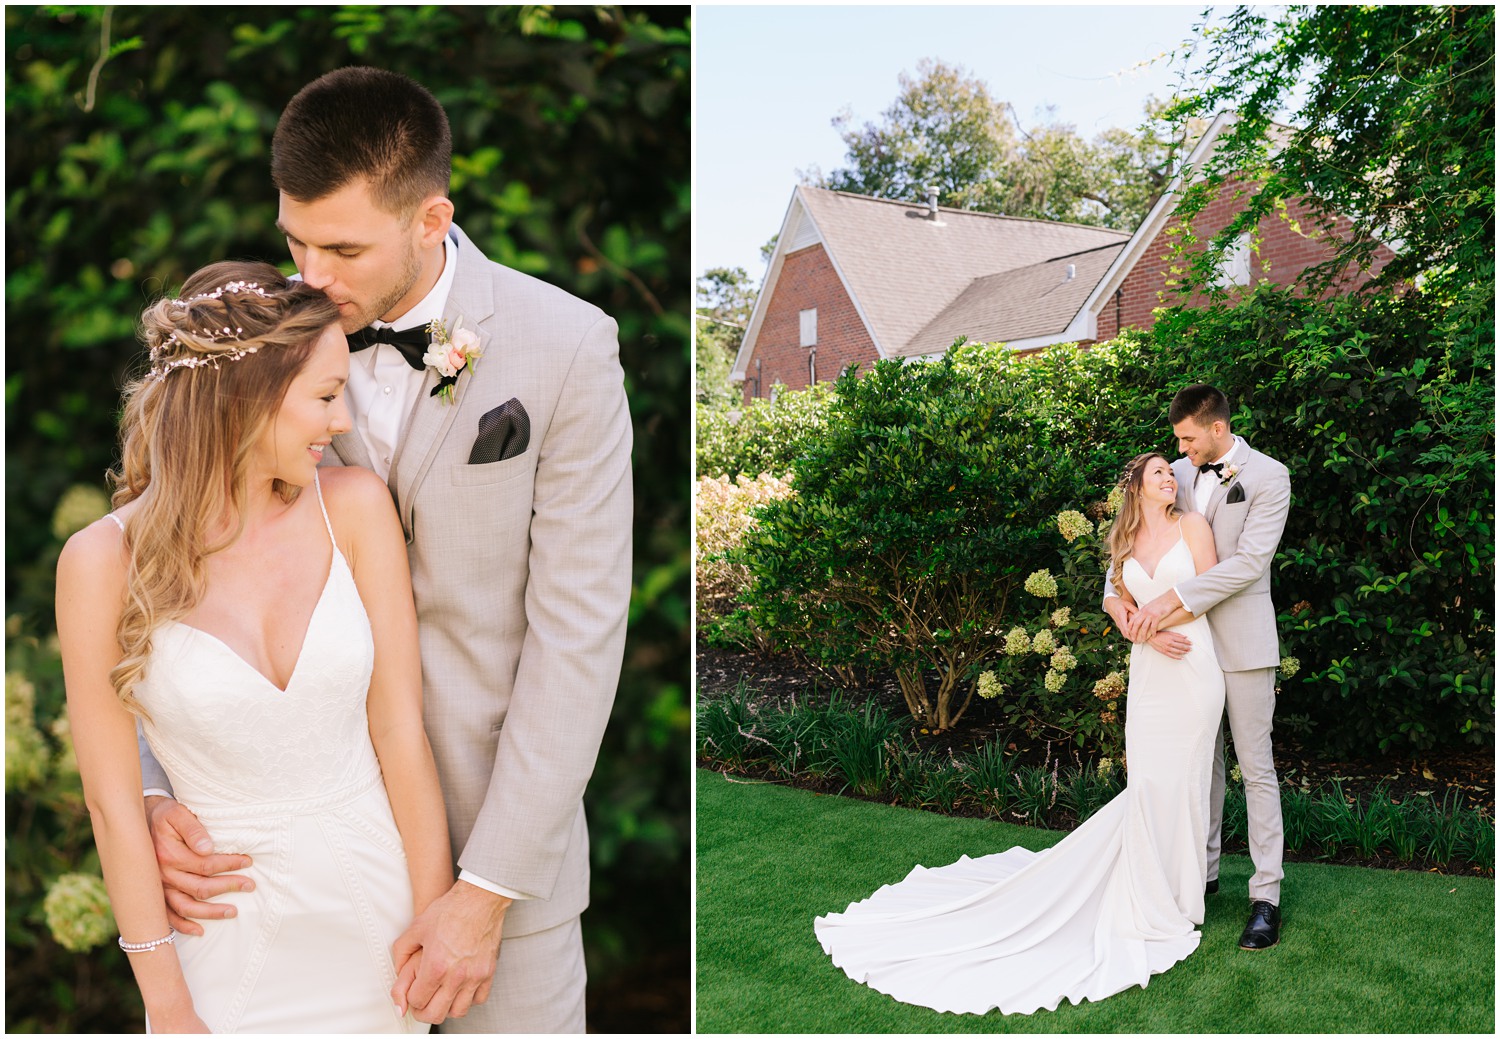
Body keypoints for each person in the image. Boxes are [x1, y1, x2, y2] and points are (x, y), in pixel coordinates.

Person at [138, 67, 633, 1032]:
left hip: (506, 876)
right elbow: (167, 575)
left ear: (430, 219)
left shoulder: (569, 347)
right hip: (291, 887)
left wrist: (484, 890)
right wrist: (159, 792)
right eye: (294, 239)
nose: (309, 278)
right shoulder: (259, 338)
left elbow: (578, 639)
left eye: (342, 249)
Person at [57, 262, 451, 1032]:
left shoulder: (358, 510)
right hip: (221, 932)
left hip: (378, 917)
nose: (340, 422)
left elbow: (402, 733)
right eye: (326, 395)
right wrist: (165, 1002)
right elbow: (111, 803)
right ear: (248, 398)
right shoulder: (101, 563)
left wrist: (433, 921)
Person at [814, 452, 1224, 1015]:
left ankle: (1180, 897)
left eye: (1170, 473)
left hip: (1194, 661)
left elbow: (1210, 589)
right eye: (1158, 472)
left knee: (1187, 777)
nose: (1169, 478)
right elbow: (1113, 596)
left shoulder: (1193, 525)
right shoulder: (1124, 541)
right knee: (1151, 778)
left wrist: (1154, 626)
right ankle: (1152, 886)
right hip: (1152, 668)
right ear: (1135, 487)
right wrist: (1137, 629)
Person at [1106, 384, 1290, 950]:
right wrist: (1132, 615)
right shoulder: (1177, 476)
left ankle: (1265, 897)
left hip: (1241, 644)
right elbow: (1127, 558)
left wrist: (1166, 605)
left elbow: (1249, 564)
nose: (1181, 451)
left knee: (1254, 768)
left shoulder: (1268, 477)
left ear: (1215, 428)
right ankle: (1200, 875)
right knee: (1198, 766)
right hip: (1185, 653)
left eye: (1188, 439)